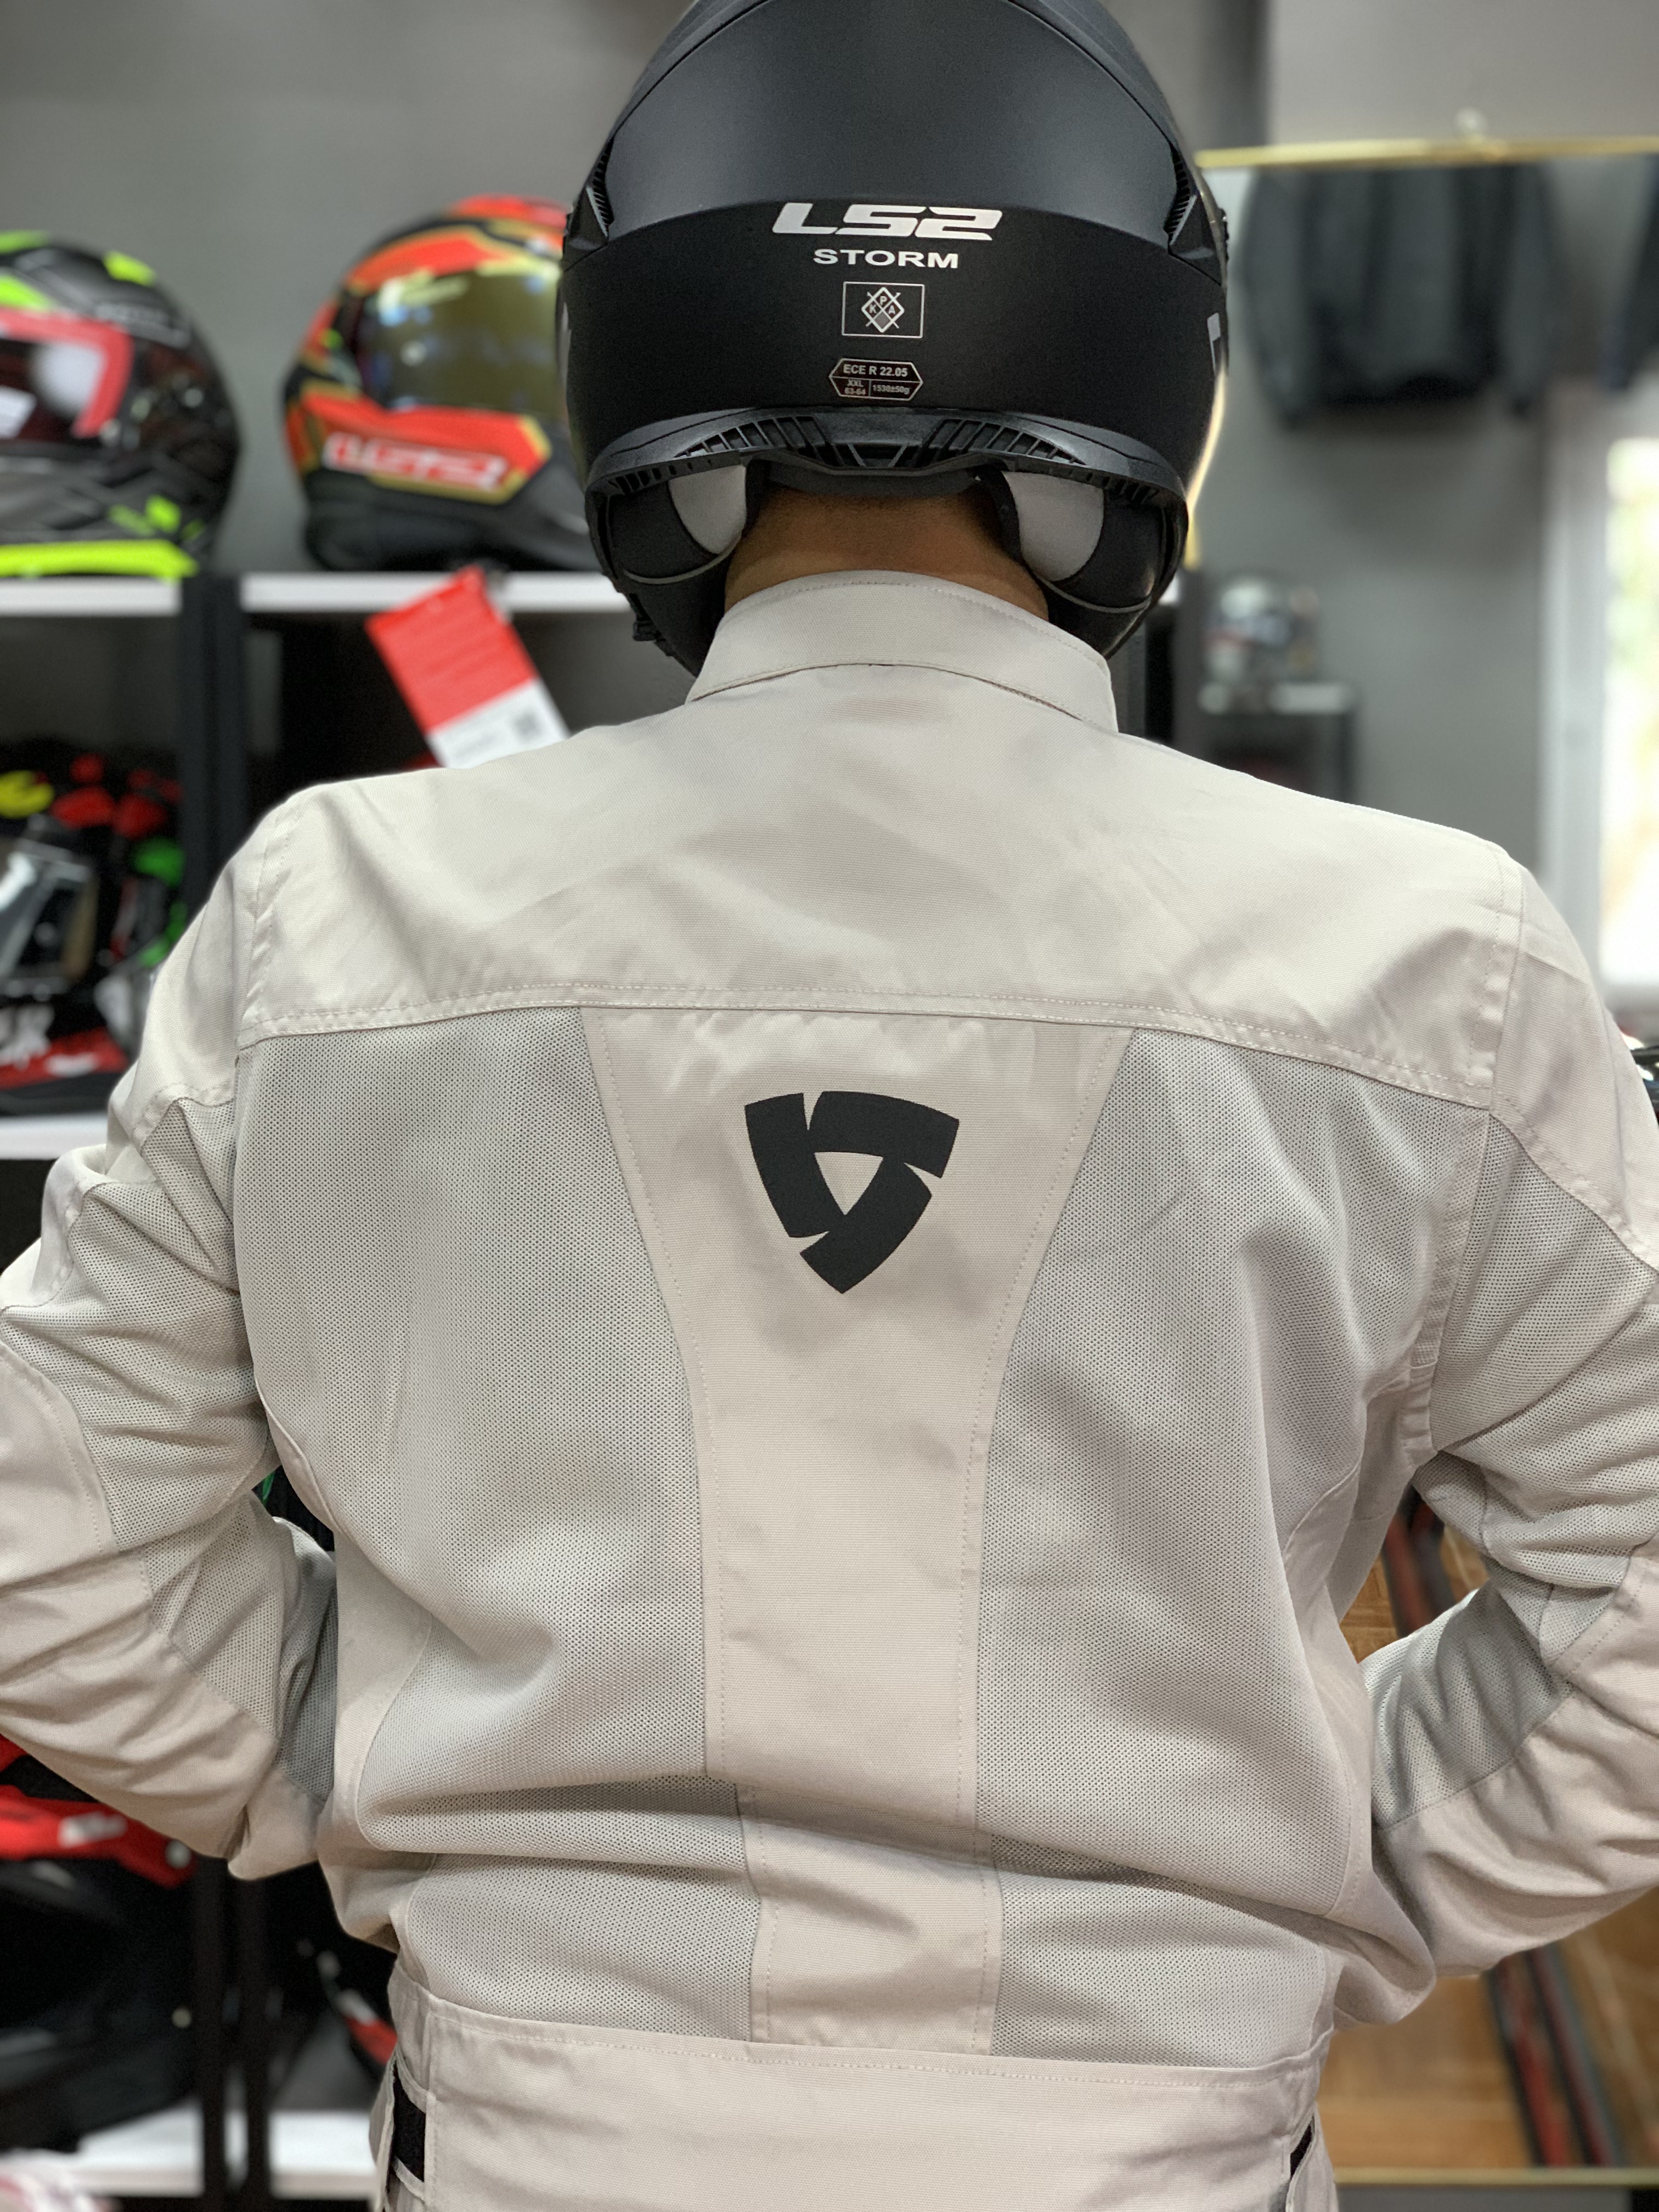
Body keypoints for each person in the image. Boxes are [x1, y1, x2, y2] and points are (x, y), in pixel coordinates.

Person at [3, 5, 1657, 2209]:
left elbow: (53, 1534)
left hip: (526, 2147)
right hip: (1164, 2153)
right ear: (1158, 372)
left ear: (627, 363)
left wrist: (378, 1769)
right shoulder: (1430, 957)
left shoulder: (340, 910)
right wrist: (1311, 1857)